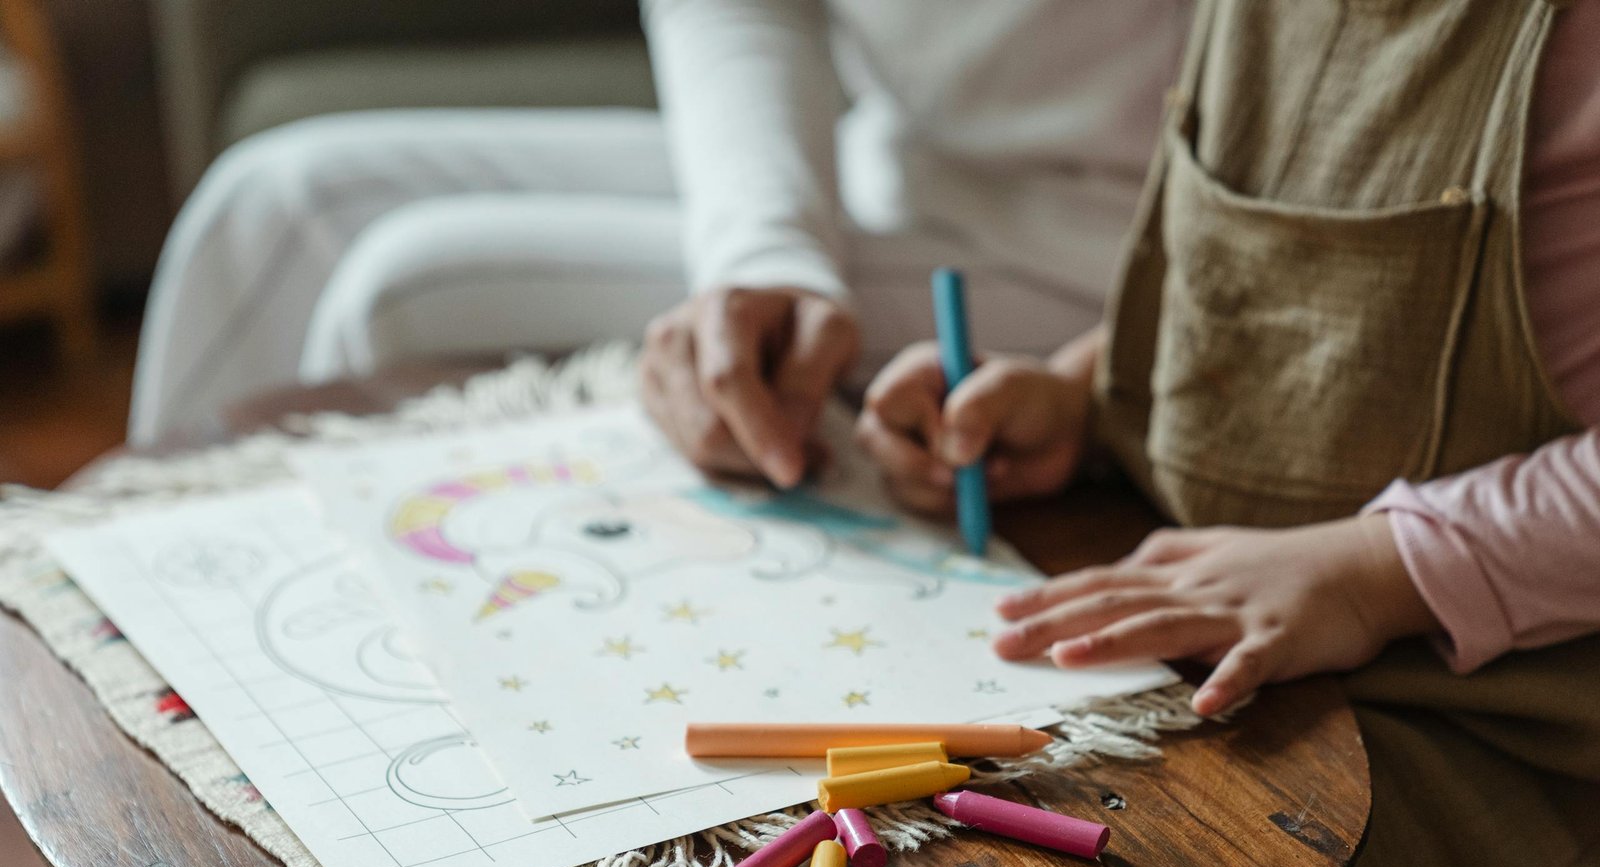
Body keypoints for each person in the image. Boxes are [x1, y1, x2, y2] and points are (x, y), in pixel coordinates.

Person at [858, 0, 1600, 867]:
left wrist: (1370, 570)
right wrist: (1082, 397)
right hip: (1216, 602)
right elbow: (1262, 282)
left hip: (1497, 710)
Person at [127, 1, 1188, 447]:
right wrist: (766, 246)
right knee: (273, 201)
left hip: (1110, 244)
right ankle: (147, 716)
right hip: (889, 156)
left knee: (401, 285)